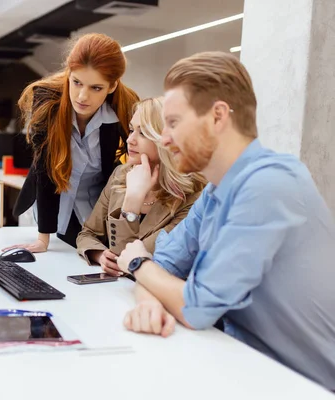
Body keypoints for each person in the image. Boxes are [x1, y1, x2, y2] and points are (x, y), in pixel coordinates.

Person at [116, 51, 335, 390]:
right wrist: (149, 302)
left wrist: (137, 264)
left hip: (308, 386)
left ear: (218, 116)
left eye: (173, 123)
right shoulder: (215, 193)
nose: (165, 138)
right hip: (248, 370)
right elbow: (164, 265)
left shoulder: (270, 184)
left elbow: (196, 307)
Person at [6, 33, 140, 252]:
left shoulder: (125, 108)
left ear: (112, 86)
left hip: (95, 207)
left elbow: (130, 163)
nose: (82, 96)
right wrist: (43, 239)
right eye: (76, 82)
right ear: (69, 74)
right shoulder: (47, 102)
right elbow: (45, 171)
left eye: (96, 88)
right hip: (49, 205)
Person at [76, 97, 205, 275]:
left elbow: (132, 261)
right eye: (131, 130)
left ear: (167, 140)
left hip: (150, 293)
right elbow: (88, 233)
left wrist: (132, 203)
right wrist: (99, 254)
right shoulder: (121, 175)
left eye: (143, 133)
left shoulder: (192, 196)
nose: (130, 140)